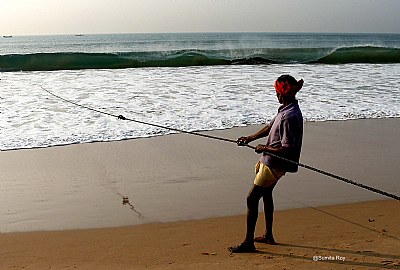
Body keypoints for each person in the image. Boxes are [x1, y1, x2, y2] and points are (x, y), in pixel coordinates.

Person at [229, 74, 304, 253]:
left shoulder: (289, 116)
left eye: (276, 92)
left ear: (282, 94)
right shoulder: (285, 109)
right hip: (270, 161)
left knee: (251, 198)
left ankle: (248, 242)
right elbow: (270, 127)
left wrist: (265, 148)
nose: (275, 95)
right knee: (267, 194)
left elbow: (287, 148)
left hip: (274, 164)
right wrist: (250, 138)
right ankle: (268, 235)